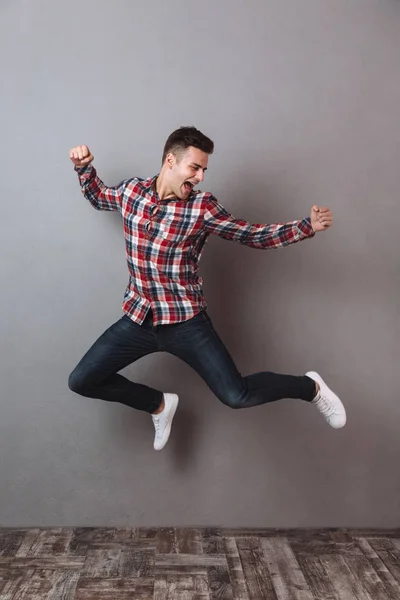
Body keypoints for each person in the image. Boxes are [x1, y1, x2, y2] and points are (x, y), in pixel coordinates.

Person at [68, 126, 346, 451]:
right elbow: (99, 197)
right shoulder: (132, 193)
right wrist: (84, 167)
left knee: (236, 395)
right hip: (139, 319)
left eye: (204, 170)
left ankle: (310, 387)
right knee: (82, 380)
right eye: (194, 167)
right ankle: (158, 404)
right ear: (170, 161)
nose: (200, 177)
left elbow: (249, 233)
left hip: (186, 323)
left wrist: (305, 226)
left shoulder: (202, 208)